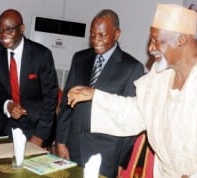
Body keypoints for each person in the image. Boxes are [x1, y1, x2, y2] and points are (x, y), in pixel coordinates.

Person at [67, 4, 197, 178]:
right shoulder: (159, 77)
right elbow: (136, 112)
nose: (150, 48)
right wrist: (96, 96)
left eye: (157, 40)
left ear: (181, 40)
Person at [56, 9, 144, 178]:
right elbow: (66, 103)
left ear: (117, 34)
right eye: (92, 34)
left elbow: (130, 120)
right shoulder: (80, 58)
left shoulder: (132, 67)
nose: (96, 40)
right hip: (73, 146)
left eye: (102, 35)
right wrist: (60, 140)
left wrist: (121, 161)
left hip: (106, 153)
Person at [0, 9, 58, 147]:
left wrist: (39, 136)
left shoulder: (41, 55)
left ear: (22, 29)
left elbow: (50, 98)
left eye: (9, 30)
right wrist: (7, 105)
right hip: (7, 122)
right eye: (0, 30)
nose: (3, 35)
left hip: (36, 124)